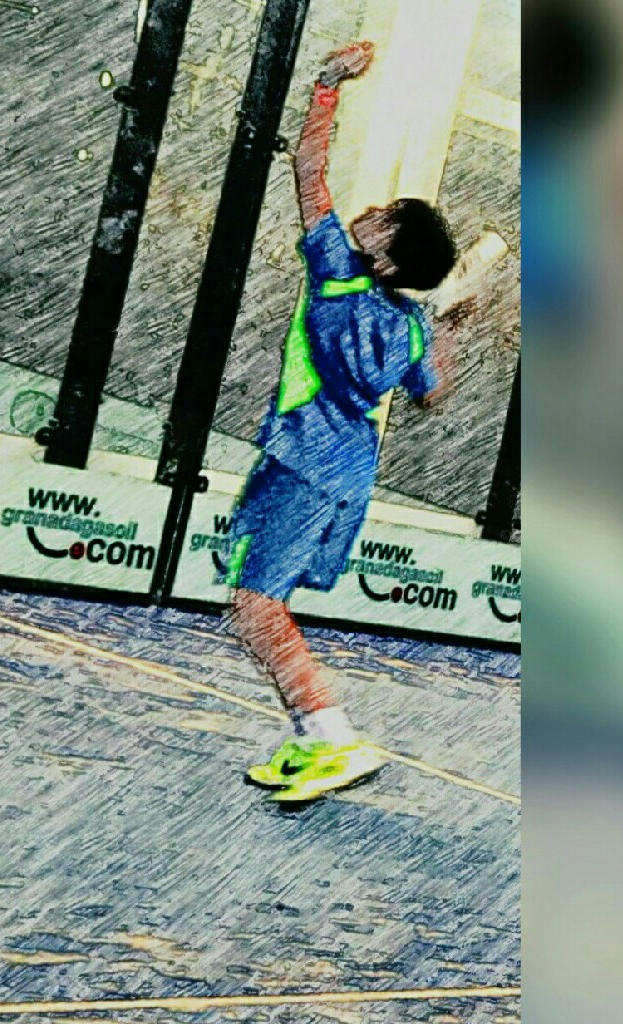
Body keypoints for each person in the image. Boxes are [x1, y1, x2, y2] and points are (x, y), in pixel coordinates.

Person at [227, 42, 470, 802]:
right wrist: (453, 323)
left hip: (304, 460)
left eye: (385, 220)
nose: (370, 212)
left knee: (255, 605)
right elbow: (433, 394)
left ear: (387, 260)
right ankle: (311, 738)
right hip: (346, 469)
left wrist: (327, 87)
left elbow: (308, 171)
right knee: (261, 598)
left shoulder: (337, 268)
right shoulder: (411, 326)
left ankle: (332, 735)